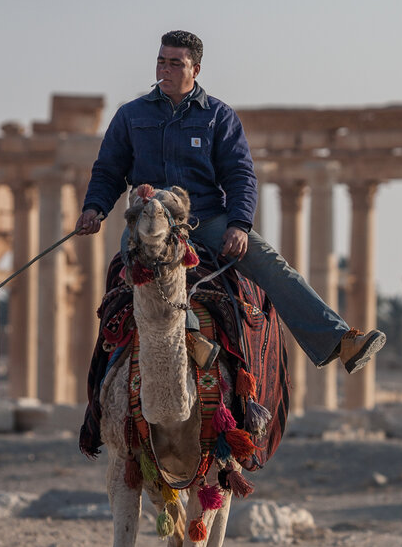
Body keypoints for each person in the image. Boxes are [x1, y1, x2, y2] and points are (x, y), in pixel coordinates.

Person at [75, 30, 385, 374]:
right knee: (125, 279)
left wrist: (239, 225)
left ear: (196, 69)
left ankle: (340, 340)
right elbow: (108, 172)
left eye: (175, 63)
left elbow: (240, 176)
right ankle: (113, 381)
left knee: (272, 264)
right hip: (150, 223)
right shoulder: (130, 116)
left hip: (207, 220)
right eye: (161, 61)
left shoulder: (218, 117)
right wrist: (94, 208)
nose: (165, 70)